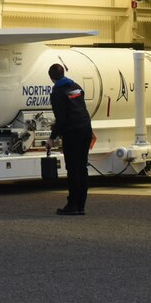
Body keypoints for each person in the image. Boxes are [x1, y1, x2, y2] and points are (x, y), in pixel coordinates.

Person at [48, 62, 93, 215]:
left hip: (72, 132)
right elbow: (76, 108)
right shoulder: (76, 87)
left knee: (73, 169)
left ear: (51, 78)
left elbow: (62, 119)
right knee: (82, 168)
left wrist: (52, 137)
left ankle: (72, 204)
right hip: (86, 129)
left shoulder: (57, 93)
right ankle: (81, 205)